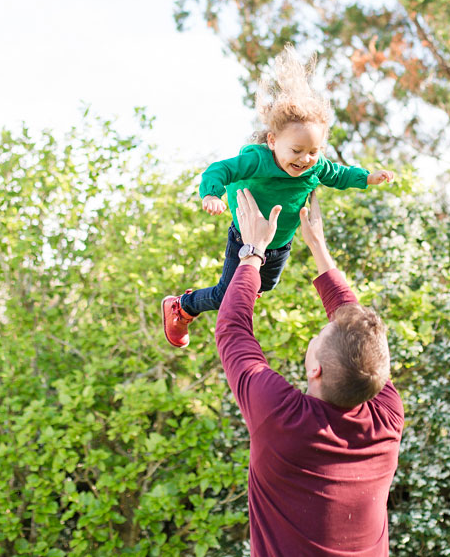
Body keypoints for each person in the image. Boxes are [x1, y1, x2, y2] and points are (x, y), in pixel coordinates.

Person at [161, 45, 394, 348]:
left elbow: (339, 174)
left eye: (313, 151)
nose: (305, 159)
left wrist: (367, 178)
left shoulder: (316, 166)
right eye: (296, 151)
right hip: (247, 237)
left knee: (266, 284)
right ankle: (182, 306)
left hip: (280, 242)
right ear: (273, 141)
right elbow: (219, 170)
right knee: (226, 294)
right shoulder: (257, 160)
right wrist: (211, 195)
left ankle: (246, 287)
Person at [215, 187, 403, 556]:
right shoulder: (386, 415)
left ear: (315, 367)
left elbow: (232, 330)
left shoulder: (282, 417)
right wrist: (318, 246)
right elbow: (357, 332)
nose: (322, 330)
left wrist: (253, 252)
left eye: (321, 334)